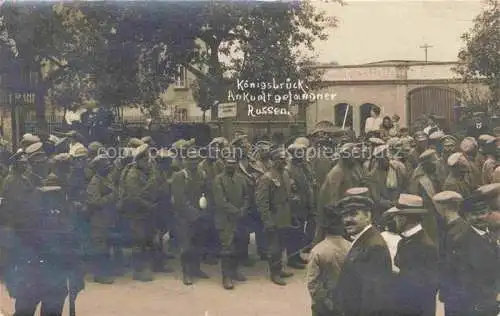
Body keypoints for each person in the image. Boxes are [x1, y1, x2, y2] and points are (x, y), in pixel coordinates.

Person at [3, 173, 84, 316]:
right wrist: (11, 281)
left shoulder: (66, 217)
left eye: (56, 193)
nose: (52, 197)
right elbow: (13, 251)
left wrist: (77, 278)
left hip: (54, 280)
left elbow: (73, 251)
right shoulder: (26, 217)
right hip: (30, 278)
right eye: (49, 193)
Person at [433, 191, 498, 316]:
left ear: (489, 213)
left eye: (482, 213)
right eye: (474, 214)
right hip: (471, 306)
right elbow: (460, 277)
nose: (479, 217)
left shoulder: (490, 235)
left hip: (488, 302)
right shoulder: (460, 240)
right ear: (466, 216)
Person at [335, 193, 393, 316]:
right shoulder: (363, 239)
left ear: (368, 216)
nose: (347, 220)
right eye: (344, 215)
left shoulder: (374, 246)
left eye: (353, 214)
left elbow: (373, 300)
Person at [384, 194, 438, 316]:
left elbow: (426, 288)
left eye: (396, 217)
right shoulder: (404, 241)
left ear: (404, 218)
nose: (394, 220)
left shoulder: (425, 247)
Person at [170, 146, 210, 285]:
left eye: (196, 159)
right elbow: (179, 198)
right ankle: (186, 273)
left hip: (199, 215)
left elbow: (205, 193)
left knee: (198, 244)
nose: (193, 162)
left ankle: (196, 269)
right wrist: (193, 214)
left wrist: (203, 212)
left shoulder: (202, 174)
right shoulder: (180, 176)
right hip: (184, 217)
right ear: (185, 161)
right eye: (190, 159)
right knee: (186, 246)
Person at [118, 144, 157, 282]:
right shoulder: (132, 175)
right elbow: (134, 197)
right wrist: (150, 205)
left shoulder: (144, 171)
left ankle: (144, 267)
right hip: (135, 212)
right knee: (138, 241)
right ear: (139, 161)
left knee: (145, 240)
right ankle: (138, 271)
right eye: (145, 160)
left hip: (144, 212)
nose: (148, 163)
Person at [256, 148, 293, 286]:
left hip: (285, 216)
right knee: (274, 247)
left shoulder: (285, 174)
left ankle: (280, 269)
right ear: (272, 161)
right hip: (274, 217)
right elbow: (262, 202)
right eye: (279, 159)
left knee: (283, 244)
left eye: (284, 159)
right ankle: (275, 273)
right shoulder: (267, 178)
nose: (282, 162)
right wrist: (268, 221)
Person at [306, 201, 351, 316]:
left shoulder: (318, 251)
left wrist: (325, 301)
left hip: (324, 306)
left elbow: (313, 283)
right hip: (345, 301)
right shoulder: (351, 247)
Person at [213, 151, 249, 290]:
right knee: (227, 249)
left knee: (238, 246)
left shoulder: (241, 178)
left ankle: (234, 271)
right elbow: (221, 201)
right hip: (225, 220)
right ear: (224, 164)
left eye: (233, 163)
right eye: (228, 163)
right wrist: (236, 211)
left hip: (239, 219)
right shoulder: (218, 179)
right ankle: (226, 277)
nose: (231, 165)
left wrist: (243, 209)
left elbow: (247, 196)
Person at [86, 154, 118, 284]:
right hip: (98, 220)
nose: (108, 167)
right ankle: (100, 275)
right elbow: (94, 201)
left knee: (105, 246)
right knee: (99, 248)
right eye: (105, 166)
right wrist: (111, 197)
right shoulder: (95, 182)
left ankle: (105, 271)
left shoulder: (106, 178)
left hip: (107, 218)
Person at [285, 143, 314, 269]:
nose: (302, 154)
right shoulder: (289, 169)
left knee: (300, 231)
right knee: (293, 232)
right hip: (295, 206)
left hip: (304, 203)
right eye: (299, 152)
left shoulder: (303, 166)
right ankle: (291, 258)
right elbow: (290, 190)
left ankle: (297, 255)